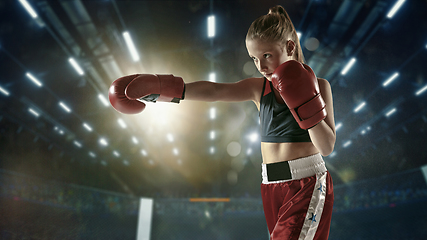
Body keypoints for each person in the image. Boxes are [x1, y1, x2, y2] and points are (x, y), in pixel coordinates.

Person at [109, 5, 335, 240]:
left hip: (306, 182)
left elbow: (327, 146)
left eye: (267, 55)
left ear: (289, 46)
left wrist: (306, 103)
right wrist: (163, 89)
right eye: (254, 58)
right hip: (271, 184)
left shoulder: (321, 86)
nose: (261, 66)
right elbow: (214, 91)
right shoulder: (260, 89)